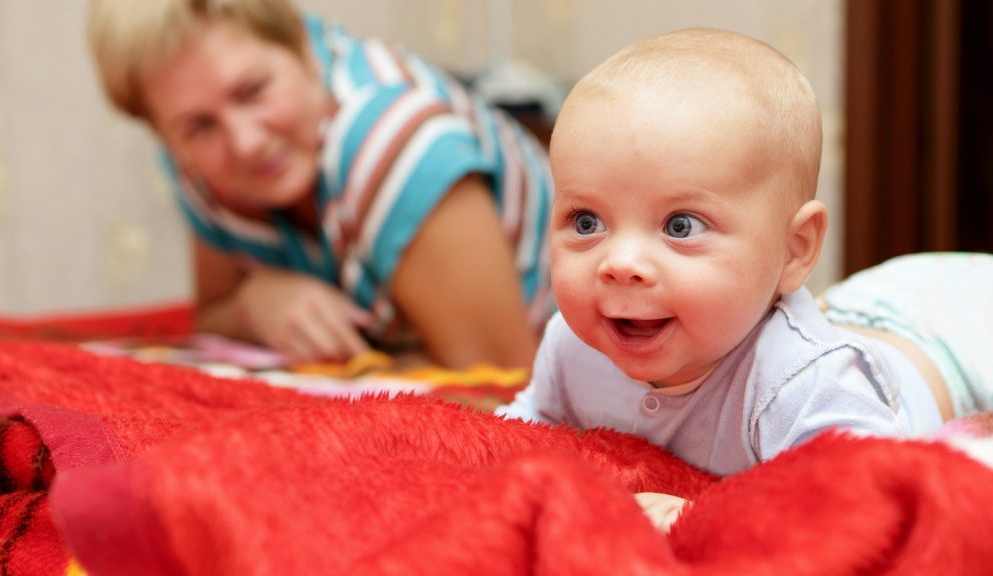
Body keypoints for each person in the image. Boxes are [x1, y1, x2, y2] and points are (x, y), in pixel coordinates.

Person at [498, 27, 993, 484]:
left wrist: (699, 513)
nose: (620, 262)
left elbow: (856, 503)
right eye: (587, 223)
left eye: (680, 226)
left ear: (794, 250)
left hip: (950, 330)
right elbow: (521, 434)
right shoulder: (573, 346)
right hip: (852, 310)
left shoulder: (801, 384)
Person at [87, 0, 555, 369]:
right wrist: (257, 301)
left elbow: (503, 379)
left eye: (252, 91)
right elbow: (215, 314)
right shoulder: (193, 159)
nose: (245, 143)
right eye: (198, 126)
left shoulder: (394, 142)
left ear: (298, 43)